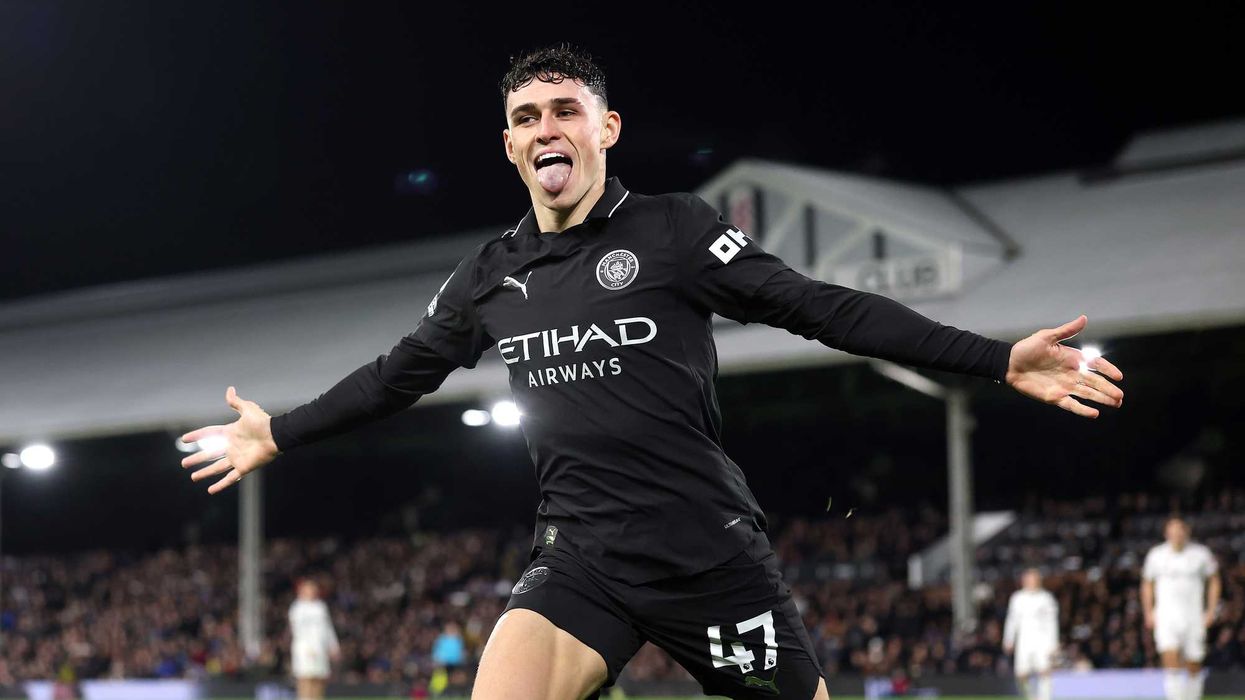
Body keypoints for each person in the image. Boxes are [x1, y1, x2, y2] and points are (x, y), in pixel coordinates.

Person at [179, 44, 1124, 700]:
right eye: (525, 118)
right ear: (508, 144)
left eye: (565, 111)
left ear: (607, 127)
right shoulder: (488, 275)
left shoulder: (673, 232)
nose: (545, 128)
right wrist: (279, 433)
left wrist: (993, 359)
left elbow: (820, 307)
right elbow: (397, 375)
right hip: (579, 558)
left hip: (704, 554)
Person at [1142, 517, 1220, 700]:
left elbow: (1214, 581)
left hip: (1193, 616)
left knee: (1194, 662)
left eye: (1180, 530)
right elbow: (1147, 584)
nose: (1176, 534)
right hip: (1166, 616)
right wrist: (1148, 611)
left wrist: (1211, 610)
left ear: (1186, 532)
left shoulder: (1201, 554)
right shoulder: (1156, 555)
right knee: (1170, 658)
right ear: (1166, 533)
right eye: (1172, 530)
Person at [1003, 568, 1059, 700]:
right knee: (1021, 674)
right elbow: (1012, 620)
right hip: (1023, 641)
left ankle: (1044, 698)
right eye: (1028, 579)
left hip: (1042, 640)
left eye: (1033, 579)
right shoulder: (1017, 598)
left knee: (1044, 671)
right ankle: (1030, 697)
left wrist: (1053, 644)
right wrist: (1008, 639)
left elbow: (1052, 622)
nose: (1030, 582)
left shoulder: (1046, 598)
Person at [288, 578, 340, 700]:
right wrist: (309, 647)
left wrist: (333, 646)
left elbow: (328, 628)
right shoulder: (297, 608)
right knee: (305, 676)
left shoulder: (321, 607)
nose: (311, 591)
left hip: (320, 647)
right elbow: (297, 630)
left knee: (319, 676)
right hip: (303, 648)